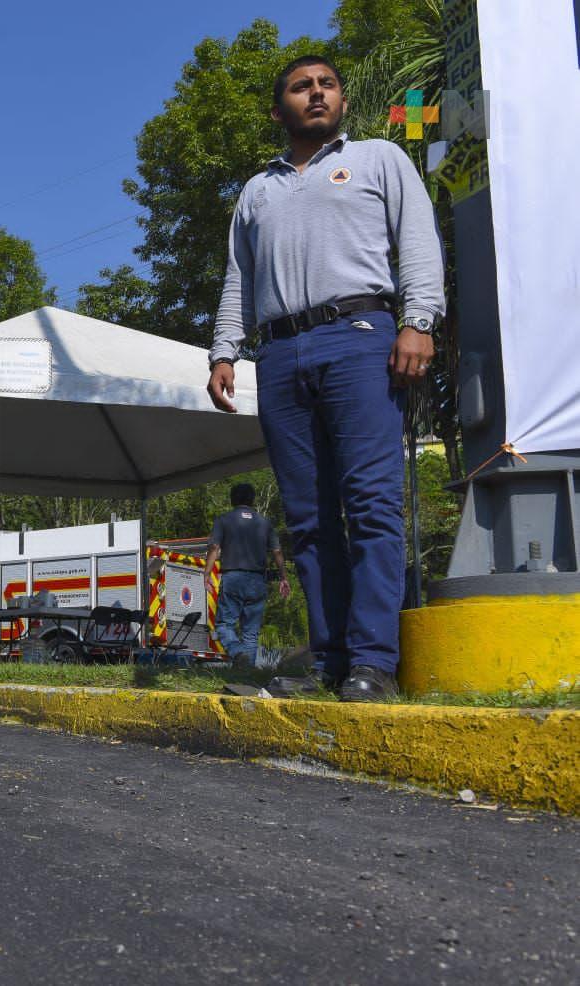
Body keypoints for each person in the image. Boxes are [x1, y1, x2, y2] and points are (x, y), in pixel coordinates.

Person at [206, 55, 444, 701]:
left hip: (360, 339)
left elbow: (417, 240)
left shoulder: (378, 158)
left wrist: (417, 320)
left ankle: (372, 665)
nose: (316, 94)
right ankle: (327, 662)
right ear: (278, 107)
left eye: (326, 84)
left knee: (370, 504)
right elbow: (238, 277)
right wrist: (223, 351)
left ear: (339, 99)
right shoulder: (256, 190)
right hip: (278, 355)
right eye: (299, 87)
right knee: (307, 520)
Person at [206, 483, 289, 667]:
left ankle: (237, 652)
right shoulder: (265, 523)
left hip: (233, 578)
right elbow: (277, 552)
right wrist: (284, 577)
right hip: (258, 580)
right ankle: (247, 675)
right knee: (250, 633)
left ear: (232, 499)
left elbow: (214, 548)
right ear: (252, 500)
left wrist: (207, 574)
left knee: (223, 625)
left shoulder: (223, 520)